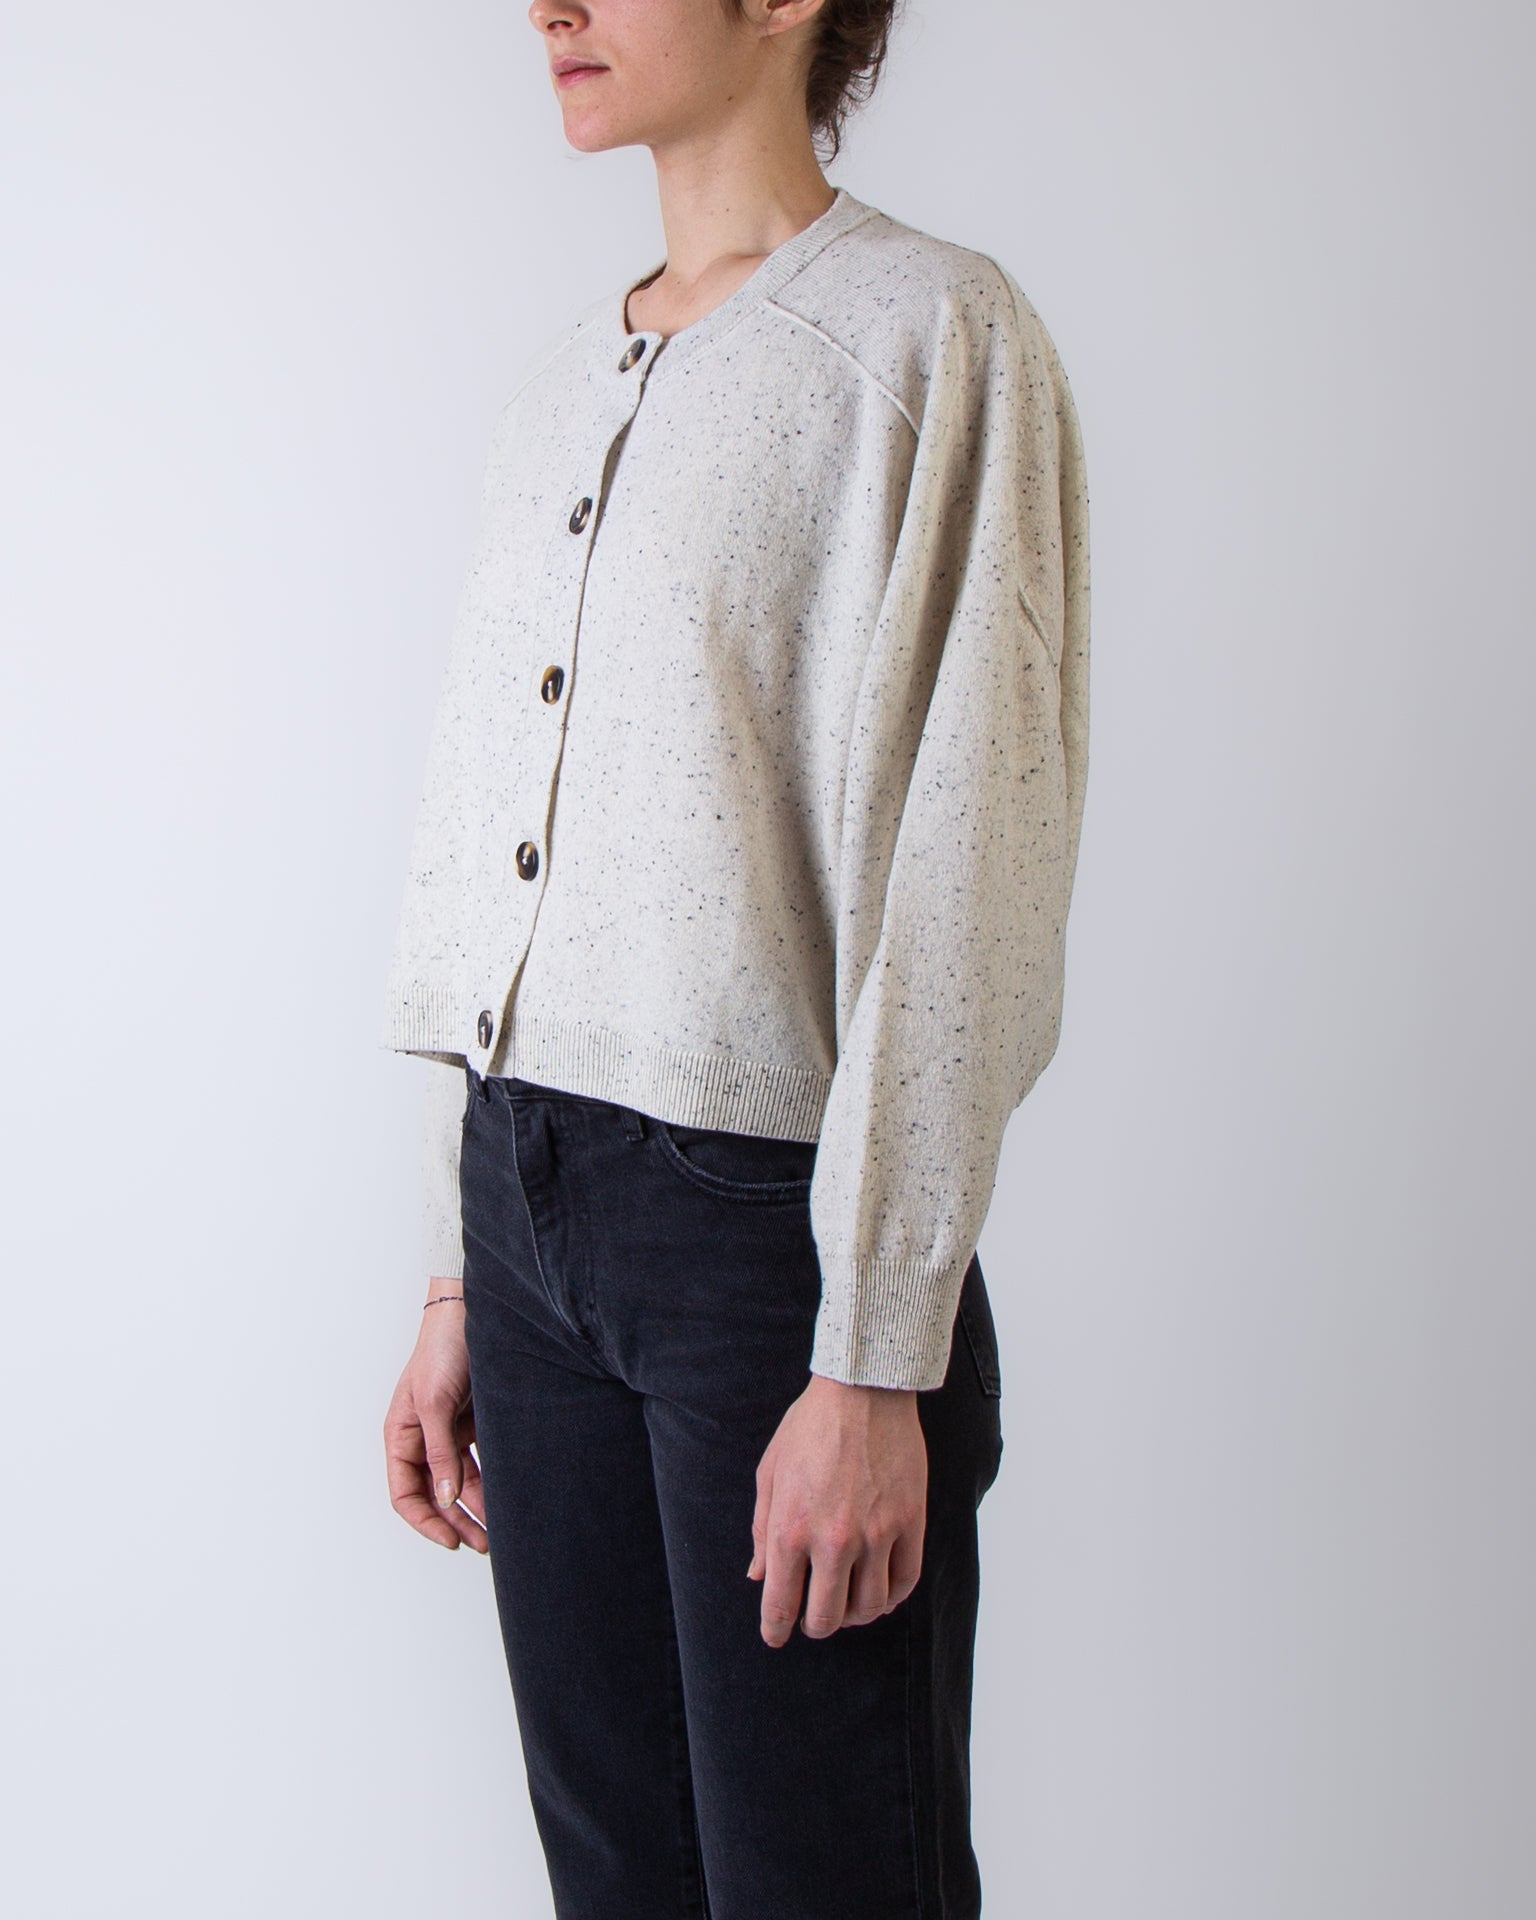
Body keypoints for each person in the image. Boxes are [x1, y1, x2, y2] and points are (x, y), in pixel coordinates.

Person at [379, 1, 1090, 1914]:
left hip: (770, 1249)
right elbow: (491, 847)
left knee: (825, 1883)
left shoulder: (933, 338)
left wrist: (877, 1351)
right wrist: (458, 1273)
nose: (552, 5)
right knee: (617, 1883)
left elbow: (971, 871)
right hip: (526, 1205)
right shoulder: (556, 392)